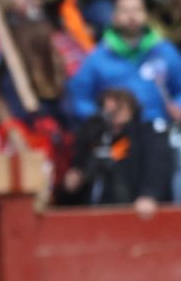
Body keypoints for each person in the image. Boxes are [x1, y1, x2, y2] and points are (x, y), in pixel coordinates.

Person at [66, 0, 181, 125]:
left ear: (147, 15)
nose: (131, 16)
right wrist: (101, 118)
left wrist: (179, 105)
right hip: (120, 130)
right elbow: (79, 99)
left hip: (162, 124)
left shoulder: (163, 50)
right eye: (124, 11)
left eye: (137, 10)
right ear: (113, 17)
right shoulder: (97, 58)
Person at [62, 86, 170, 215]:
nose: (112, 114)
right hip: (94, 210)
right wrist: (75, 179)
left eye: (118, 109)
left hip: (130, 207)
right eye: (107, 110)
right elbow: (80, 169)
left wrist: (149, 194)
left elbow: (156, 168)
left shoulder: (145, 136)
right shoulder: (94, 135)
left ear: (131, 109)